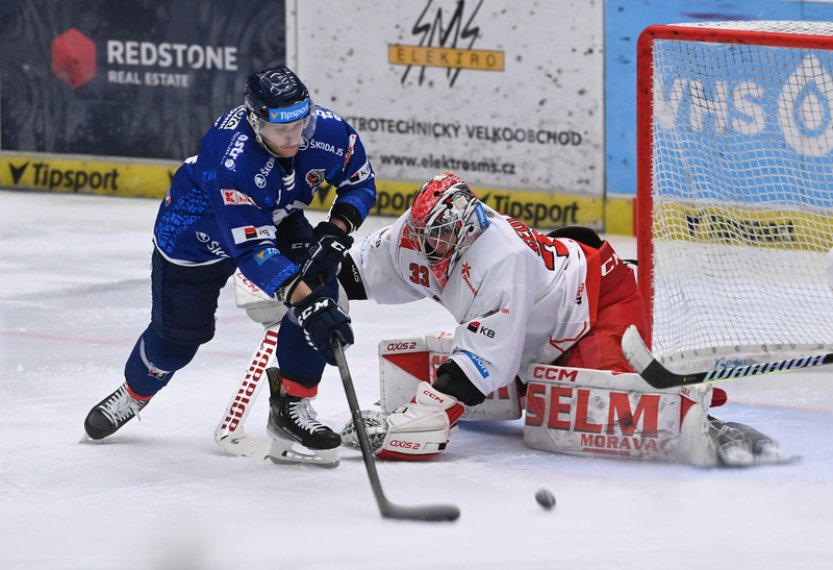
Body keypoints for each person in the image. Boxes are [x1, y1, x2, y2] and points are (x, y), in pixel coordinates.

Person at [338, 173, 791, 467]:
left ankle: (712, 425)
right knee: (541, 400)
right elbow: (352, 274)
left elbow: (480, 367)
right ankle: (536, 378)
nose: (427, 246)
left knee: (612, 402)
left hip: (596, 304)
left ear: (465, 230)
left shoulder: (501, 260)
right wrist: (301, 291)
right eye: (423, 236)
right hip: (539, 321)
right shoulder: (414, 234)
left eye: (439, 238)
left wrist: (427, 414)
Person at [83, 66, 374, 467]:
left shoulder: (326, 130)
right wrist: (308, 305)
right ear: (255, 121)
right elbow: (254, 254)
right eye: (281, 129)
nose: (294, 137)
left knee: (320, 283)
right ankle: (135, 390)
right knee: (178, 342)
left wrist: (335, 232)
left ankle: (292, 406)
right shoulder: (231, 159)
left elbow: (360, 182)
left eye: (300, 123)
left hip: (273, 214)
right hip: (194, 237)